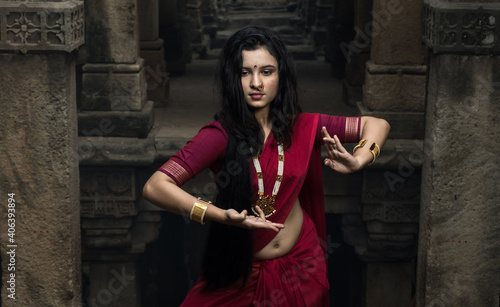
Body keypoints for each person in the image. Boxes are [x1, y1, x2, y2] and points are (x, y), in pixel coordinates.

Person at [143, 26, 390, 306]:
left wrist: (359, 158)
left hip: (302, 265)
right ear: (232, 78)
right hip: (240, 272)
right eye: (245, 72)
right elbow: (155, 186)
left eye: (267, 72)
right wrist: (219, 215)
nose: (256, 83)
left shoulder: (305, 126)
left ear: (281, 76)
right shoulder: (218, 136)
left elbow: (377, 124)